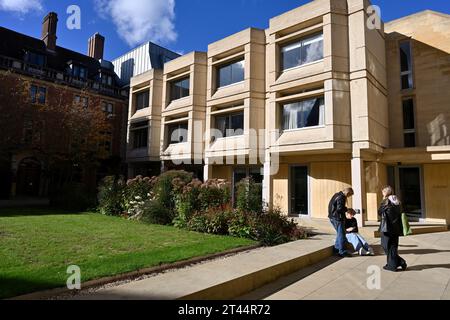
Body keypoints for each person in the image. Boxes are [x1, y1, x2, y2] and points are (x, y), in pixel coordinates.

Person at [378, 186, 407, 272]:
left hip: (387, 227)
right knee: (393, 247)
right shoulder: (397, 201)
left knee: (385, 246)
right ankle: (393, 264)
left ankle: (396, 263)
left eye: (383, 192)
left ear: (386, 193)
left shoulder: (385, 201)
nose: (382, 193)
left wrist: (383, 199)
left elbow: (379, 212)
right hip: (396, 228)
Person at [328, 187, 354, 257]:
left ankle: (336, 248)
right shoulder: (341, 197)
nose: (349, 197)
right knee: (342, 234)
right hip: (337, 218)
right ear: (347, 193)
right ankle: (342, 251)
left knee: (340, 233)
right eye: (350, 195)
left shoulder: (336, 194)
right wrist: (347, 209)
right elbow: (340, 209)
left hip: (332, 217)